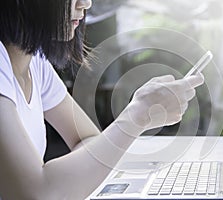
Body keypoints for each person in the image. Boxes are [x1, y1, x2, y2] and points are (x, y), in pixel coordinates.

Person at [0, 0, 204, 199]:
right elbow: (37, 193)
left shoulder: (36, 63)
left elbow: (87, 139)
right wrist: (137, 117)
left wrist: (60, 183)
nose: (86, 3)